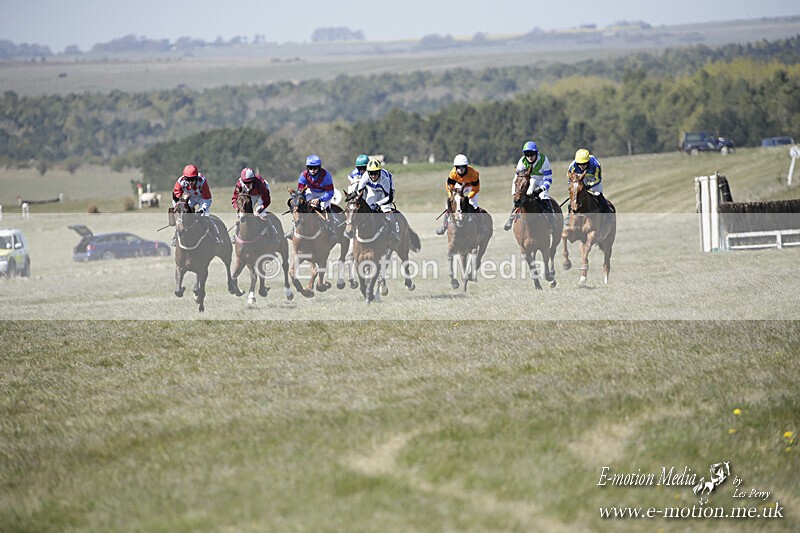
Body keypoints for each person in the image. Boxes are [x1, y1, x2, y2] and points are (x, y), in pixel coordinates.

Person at [284, 154, 340, 240]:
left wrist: (319, 200)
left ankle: (331, 231)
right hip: (311, 192)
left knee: (324, 207)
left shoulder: (326, 176)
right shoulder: (303, 175)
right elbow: (300, 192)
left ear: (319, 167)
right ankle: (293, 230)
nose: (312, 170)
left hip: (324, 193)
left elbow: (330, 193)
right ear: (307, 168)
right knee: (300, 207)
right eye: (310, 167)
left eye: (315, 168)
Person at [504, 141, 555, 231]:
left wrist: (541, 189)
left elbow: (548, 179)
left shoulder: (543, 160)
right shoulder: (522, 161)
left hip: (542, 180)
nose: (530, 157)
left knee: (543, 196)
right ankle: (511, 219)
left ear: (536, 153)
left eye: (532, 154)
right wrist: (514, 193)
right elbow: (517, 178)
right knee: (522, 196)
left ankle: (552, 221)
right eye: (527, 154)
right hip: (530, 179)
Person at [171, 164, 223, 245]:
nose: (190, 182)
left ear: (196, 178)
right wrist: (178, 207)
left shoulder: (202, 181)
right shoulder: (180, 182)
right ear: (184, 178)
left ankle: (216, 236)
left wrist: (201, 210)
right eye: (188, 180)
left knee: (205, 216)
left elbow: (207, 199)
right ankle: (175, 237)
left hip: (202, 198)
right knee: (182, 217)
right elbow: (176, 198)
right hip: (189, 198)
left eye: (193, 179)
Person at [435, 154, 487, 235]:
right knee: (447, 205)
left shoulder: (473, 173)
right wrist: (451, 197)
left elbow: (476, 188)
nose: (461, 169)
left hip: (471, 187)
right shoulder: (453, 173)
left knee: (474, 204)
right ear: (456, 167)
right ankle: (444, 226)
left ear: (466, 166)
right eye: (458, 167)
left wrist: (468, 197)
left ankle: (481, 225)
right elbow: (449, 187)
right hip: (459, 185)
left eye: (463, 167)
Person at [355, 159, 400, 243]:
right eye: (371, 173)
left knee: (386, 209)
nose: (373, 176)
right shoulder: (365, 176)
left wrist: (377, 204)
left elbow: (389, 197)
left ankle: (394, 232)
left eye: (375, 173)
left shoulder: (384, 179)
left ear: (379, 172)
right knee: (368, 208)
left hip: (386, 192)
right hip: (374, 190)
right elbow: (359, 192)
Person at [231, 167, 277, 242]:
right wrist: (238, 209)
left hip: (261, 195)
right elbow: (234, 199)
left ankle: (273, 235)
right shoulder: (239, 185)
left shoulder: (260, 183)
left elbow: (267, 199)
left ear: (253, 180)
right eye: (245, 182)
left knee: (261, 214)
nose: (247, 184)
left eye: (249, 182)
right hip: (249, 195)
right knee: (242, 215)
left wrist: (261, 208)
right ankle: (236, 236)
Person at [568, 148, 611, 213]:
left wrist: (589, 186)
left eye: (584, 164)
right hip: (580, 179)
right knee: (574, 197)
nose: (581, 166)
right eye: (579, 164)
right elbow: (570, 179)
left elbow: (598, 179)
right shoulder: (572, 166)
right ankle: (569, 217)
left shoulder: (596, 165)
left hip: (593, 178)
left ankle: (608, 213)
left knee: (599, 195)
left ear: (588, 161)